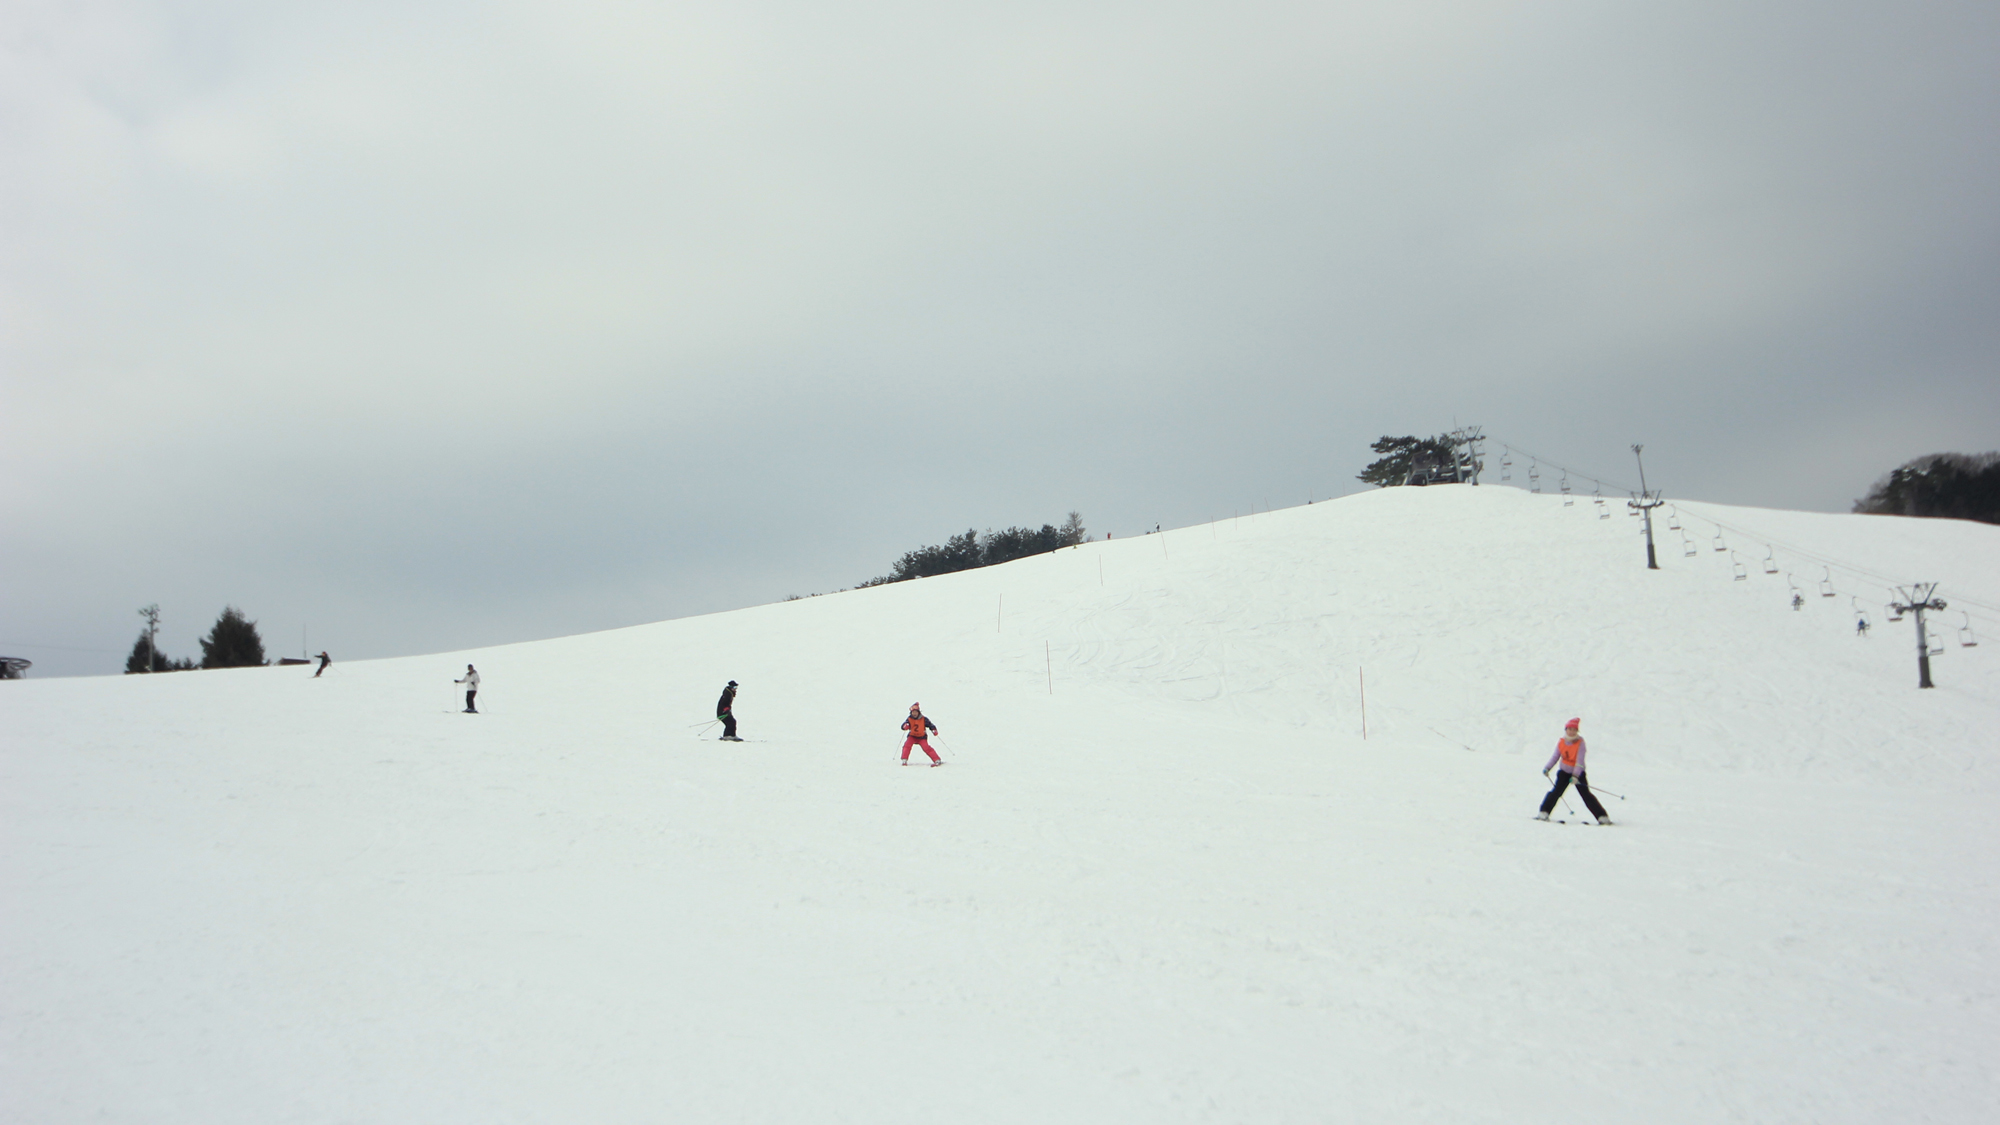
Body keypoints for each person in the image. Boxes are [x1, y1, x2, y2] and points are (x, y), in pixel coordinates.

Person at [1537, 717, 1610, 824]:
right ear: (1566, 730)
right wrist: (1547, 768)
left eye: (1574, 730)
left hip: (1578, 774)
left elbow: (1579, 761)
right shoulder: (1561, 742)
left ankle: (1602, 817)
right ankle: (1544, 812)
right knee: (1556, 792)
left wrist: (1575, 776)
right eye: (1569, 729)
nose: (1571, 732)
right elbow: (1555, 756)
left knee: (1585, 794)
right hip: (1564, 772)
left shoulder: (1580, 743)